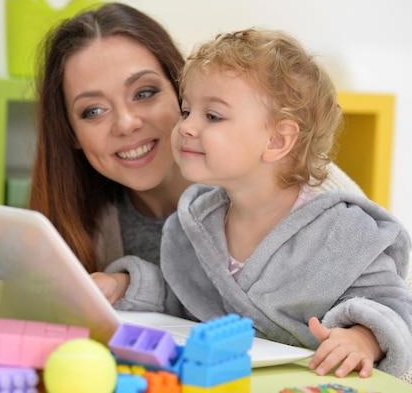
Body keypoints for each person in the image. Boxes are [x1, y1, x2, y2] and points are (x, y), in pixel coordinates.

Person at [103, 28, 412, 378]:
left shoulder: (343, 231)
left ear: (278, 140)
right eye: (187, 110)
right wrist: (125, 285)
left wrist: (362, 338)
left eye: (213, 116)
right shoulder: (194, 223)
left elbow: (390, 305)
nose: (186, 127)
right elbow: (181, 300)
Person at [28, 2, 365, 298]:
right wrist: (124, 284)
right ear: (70, 132)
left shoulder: (303, 188)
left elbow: (396, 316)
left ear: (181, 90)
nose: (126, 123)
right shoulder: (85, 225)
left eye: (144, 93)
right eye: (93, 111)